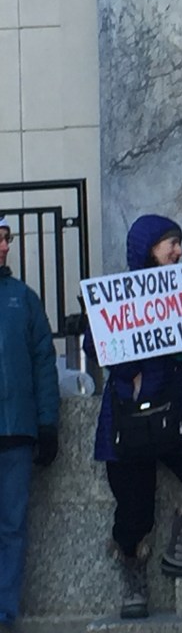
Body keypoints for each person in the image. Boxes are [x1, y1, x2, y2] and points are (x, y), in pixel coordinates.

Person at [89, 214, 182, 619]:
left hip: (175, 407)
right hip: (127, 418)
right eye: (171, 243)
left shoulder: (180, 291)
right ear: (150, 249)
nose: (178, 250)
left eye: (178, 243)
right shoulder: (117, 296)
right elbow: (97, 347)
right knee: (134, 513)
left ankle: (180, 551)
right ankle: (133, 573)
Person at [0, 216, 59, 633]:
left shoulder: (24, 297)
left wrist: (48, 423)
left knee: (12, 527)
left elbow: (44, 362)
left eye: (5, 238)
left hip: (17, 432)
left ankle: (4, 613)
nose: (3, 247)